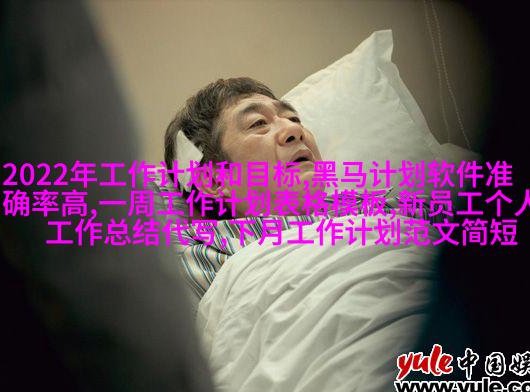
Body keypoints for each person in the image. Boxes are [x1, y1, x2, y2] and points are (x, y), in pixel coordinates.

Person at [162, 77, 438, 299]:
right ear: (215, 181)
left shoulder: (376, 206)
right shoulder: (203, 250)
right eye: (258, 124)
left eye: (293, 118)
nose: (294, 131)